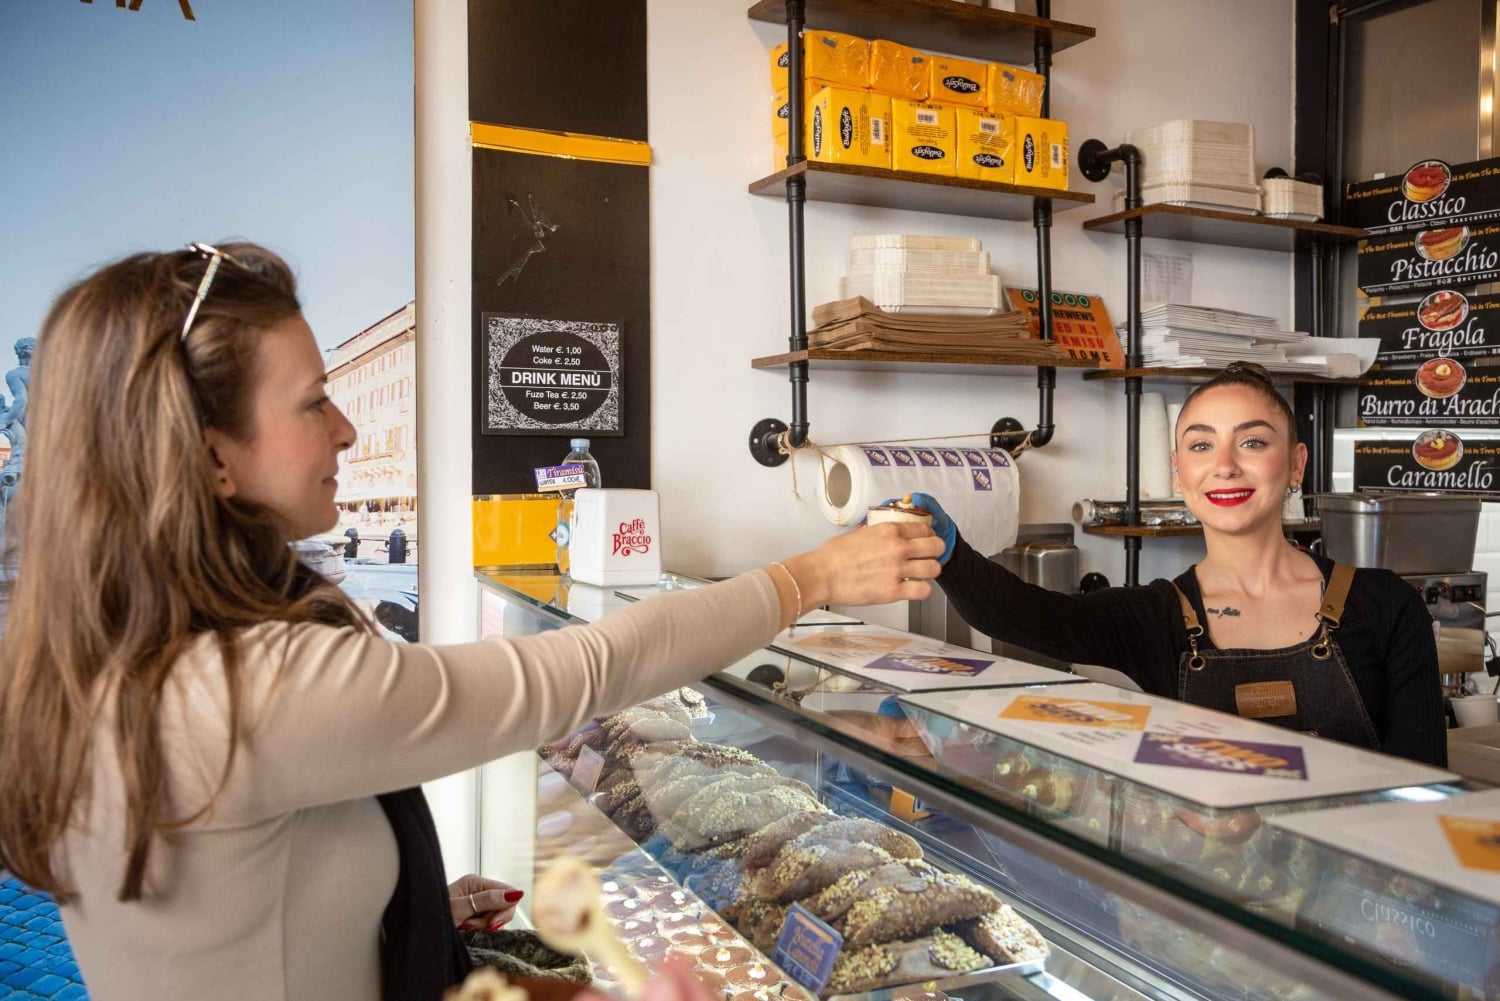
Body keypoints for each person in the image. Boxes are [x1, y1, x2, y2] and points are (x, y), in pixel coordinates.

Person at [0, 243, 944, 1001]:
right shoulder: (246, 688)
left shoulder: (105, 657)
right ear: (211, 457)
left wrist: (413, 917)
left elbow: (236, 918)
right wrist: (813, 573)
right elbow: (580, 670)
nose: (346, 430)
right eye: (311, 400)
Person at [899, 362, 1444, 765]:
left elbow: (1426, 793)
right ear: (1179, 474)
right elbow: (1021, 615)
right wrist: (951, 555)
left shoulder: (1386, 605)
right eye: (1202, 447)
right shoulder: (1156, 617)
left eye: (1252, 442)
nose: (1225, 466)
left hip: (1361, 903)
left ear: (1296, 465)